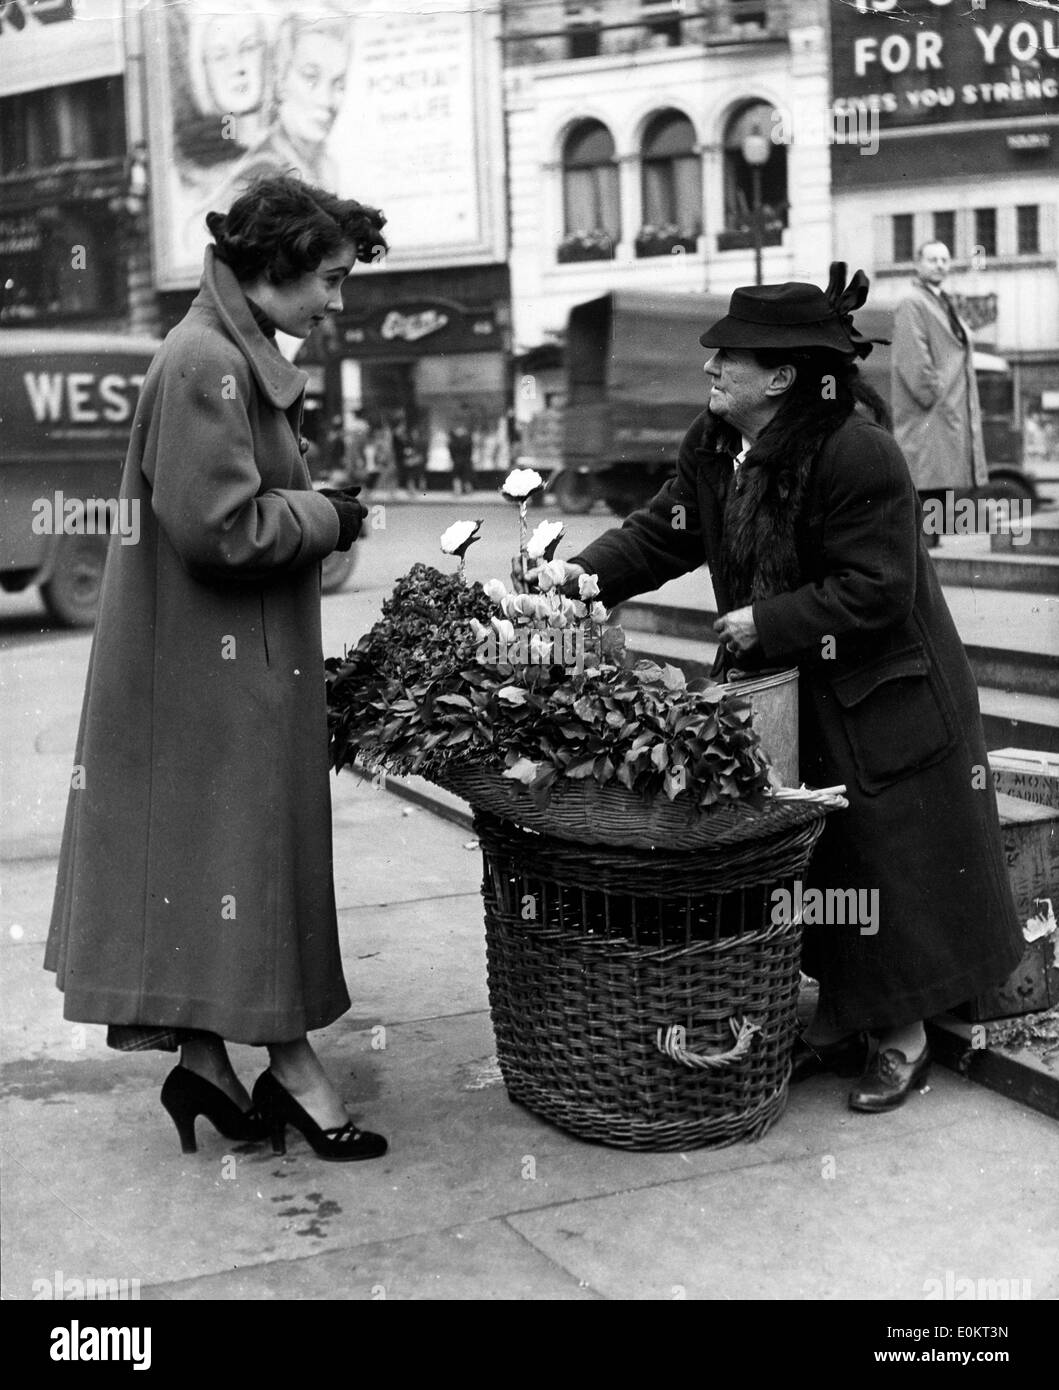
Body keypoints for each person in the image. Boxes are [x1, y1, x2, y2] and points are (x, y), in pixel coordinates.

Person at [562, 264, 1023, 1113]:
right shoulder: (713, 446)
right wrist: (577, 580)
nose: (709, 369)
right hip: (797, 692)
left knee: (883, 864)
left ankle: (901, 1036)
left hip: (883, 694)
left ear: (778, 377)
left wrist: (763, 622)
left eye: (726, 358)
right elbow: (663, 533)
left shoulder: (856, 452)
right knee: (820, 859)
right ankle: (843, 1019)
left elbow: (877, 589)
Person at [45, 174, 391, 1161]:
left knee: (214, 872)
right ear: (274, 267)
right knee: (250, 866)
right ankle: (296, 1070)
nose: (336, 299)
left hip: (206, 672)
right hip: (214, 680)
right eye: (328, 278)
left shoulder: (223, 351)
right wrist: (333, 515)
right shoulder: (207, 361)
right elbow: (220, 530)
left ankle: (205, 1065)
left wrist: (319, 500)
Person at [891, 240, 989, 548]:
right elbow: (913, 358)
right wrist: (935, 395)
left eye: (945, 259)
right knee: (927, 491)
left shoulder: (941, 300)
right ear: (918, 264)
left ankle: (931, 566)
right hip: (930, 416)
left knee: (938, 492)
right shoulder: (913, 302)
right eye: (932, 259)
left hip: (945, 415)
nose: (940, 265)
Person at [448, 406, 475, 495]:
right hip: (465, 460)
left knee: (457, 476)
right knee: (466, 476)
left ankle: (458, 491)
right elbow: (470, 450)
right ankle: (468, 490)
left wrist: (454, 458)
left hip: (457, 460)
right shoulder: (467, 440)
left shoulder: (453, 441)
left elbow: (451, 450)